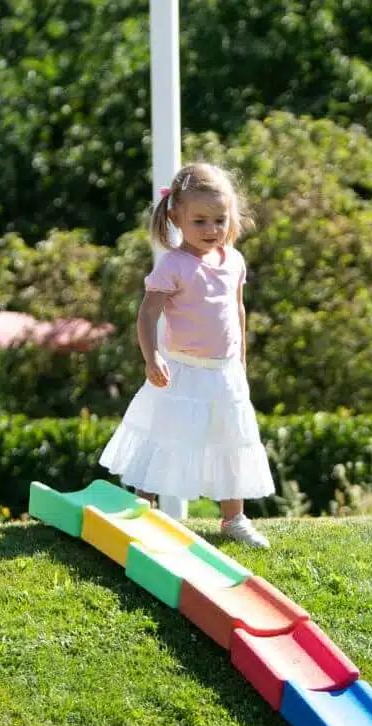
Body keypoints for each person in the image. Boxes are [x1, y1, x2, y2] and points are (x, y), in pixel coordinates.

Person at [99, 162, 275, 547]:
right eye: (200, 221)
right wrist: (152, 358)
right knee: (165, 436)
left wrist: (241, 361)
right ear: (176, 216)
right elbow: (147, 314)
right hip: (181, 371)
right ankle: (143, 508)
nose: (211, 229)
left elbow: (238, 311)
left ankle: (234, 519)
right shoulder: (173, 265)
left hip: (224, 372)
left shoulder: (234, 262)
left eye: (218, 220)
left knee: (231, 439)